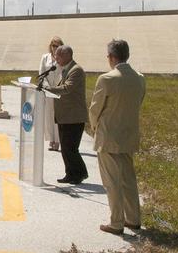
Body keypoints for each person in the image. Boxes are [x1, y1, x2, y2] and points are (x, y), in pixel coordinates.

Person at [88, 39, 147, 235]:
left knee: (112, 181)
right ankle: (133, 218)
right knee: (128, 179)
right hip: (129, 134)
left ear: (112, 57)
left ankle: (116, 222)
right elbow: (139, 102)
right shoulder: (140, 78)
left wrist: (95, 128)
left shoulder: (107, 79)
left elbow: (95, 109)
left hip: (108, 136)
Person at [46, 44, 89, 185]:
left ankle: (80, 173)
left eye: (57, 56)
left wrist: (49, 89)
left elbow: (67, 88)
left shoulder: (76, 70)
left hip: (74, 116)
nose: (55, 58)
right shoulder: (65, 69)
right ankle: (70, 174)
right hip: (65, 116)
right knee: (65, 147)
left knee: (71, 148)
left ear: (66, 56)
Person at [38, 36, 63, 151]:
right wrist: (47, 86)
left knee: (57, 116)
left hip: (58, 90)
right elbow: (41, 72)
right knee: (48, 116)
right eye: (53, 45)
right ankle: (51, 140)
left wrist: (57, 87)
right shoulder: (45, 57)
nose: (55, 48)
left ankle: (57, 141)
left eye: (57, 46)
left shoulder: (63, 59)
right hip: (47, 90)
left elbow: (64, 74)